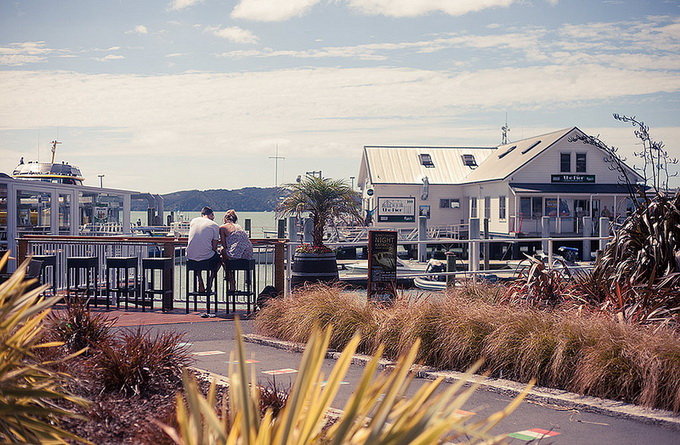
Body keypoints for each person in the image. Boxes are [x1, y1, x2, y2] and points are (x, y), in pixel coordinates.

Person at [186, 206, 221, 291]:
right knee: (219, 259)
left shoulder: (193, 221)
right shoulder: (214, 225)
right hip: (206, 259)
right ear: (212, 215)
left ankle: (200, 281)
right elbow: (214, 247)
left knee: (198, 259)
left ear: (202, 214)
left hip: (190, 257)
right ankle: (210, 283)